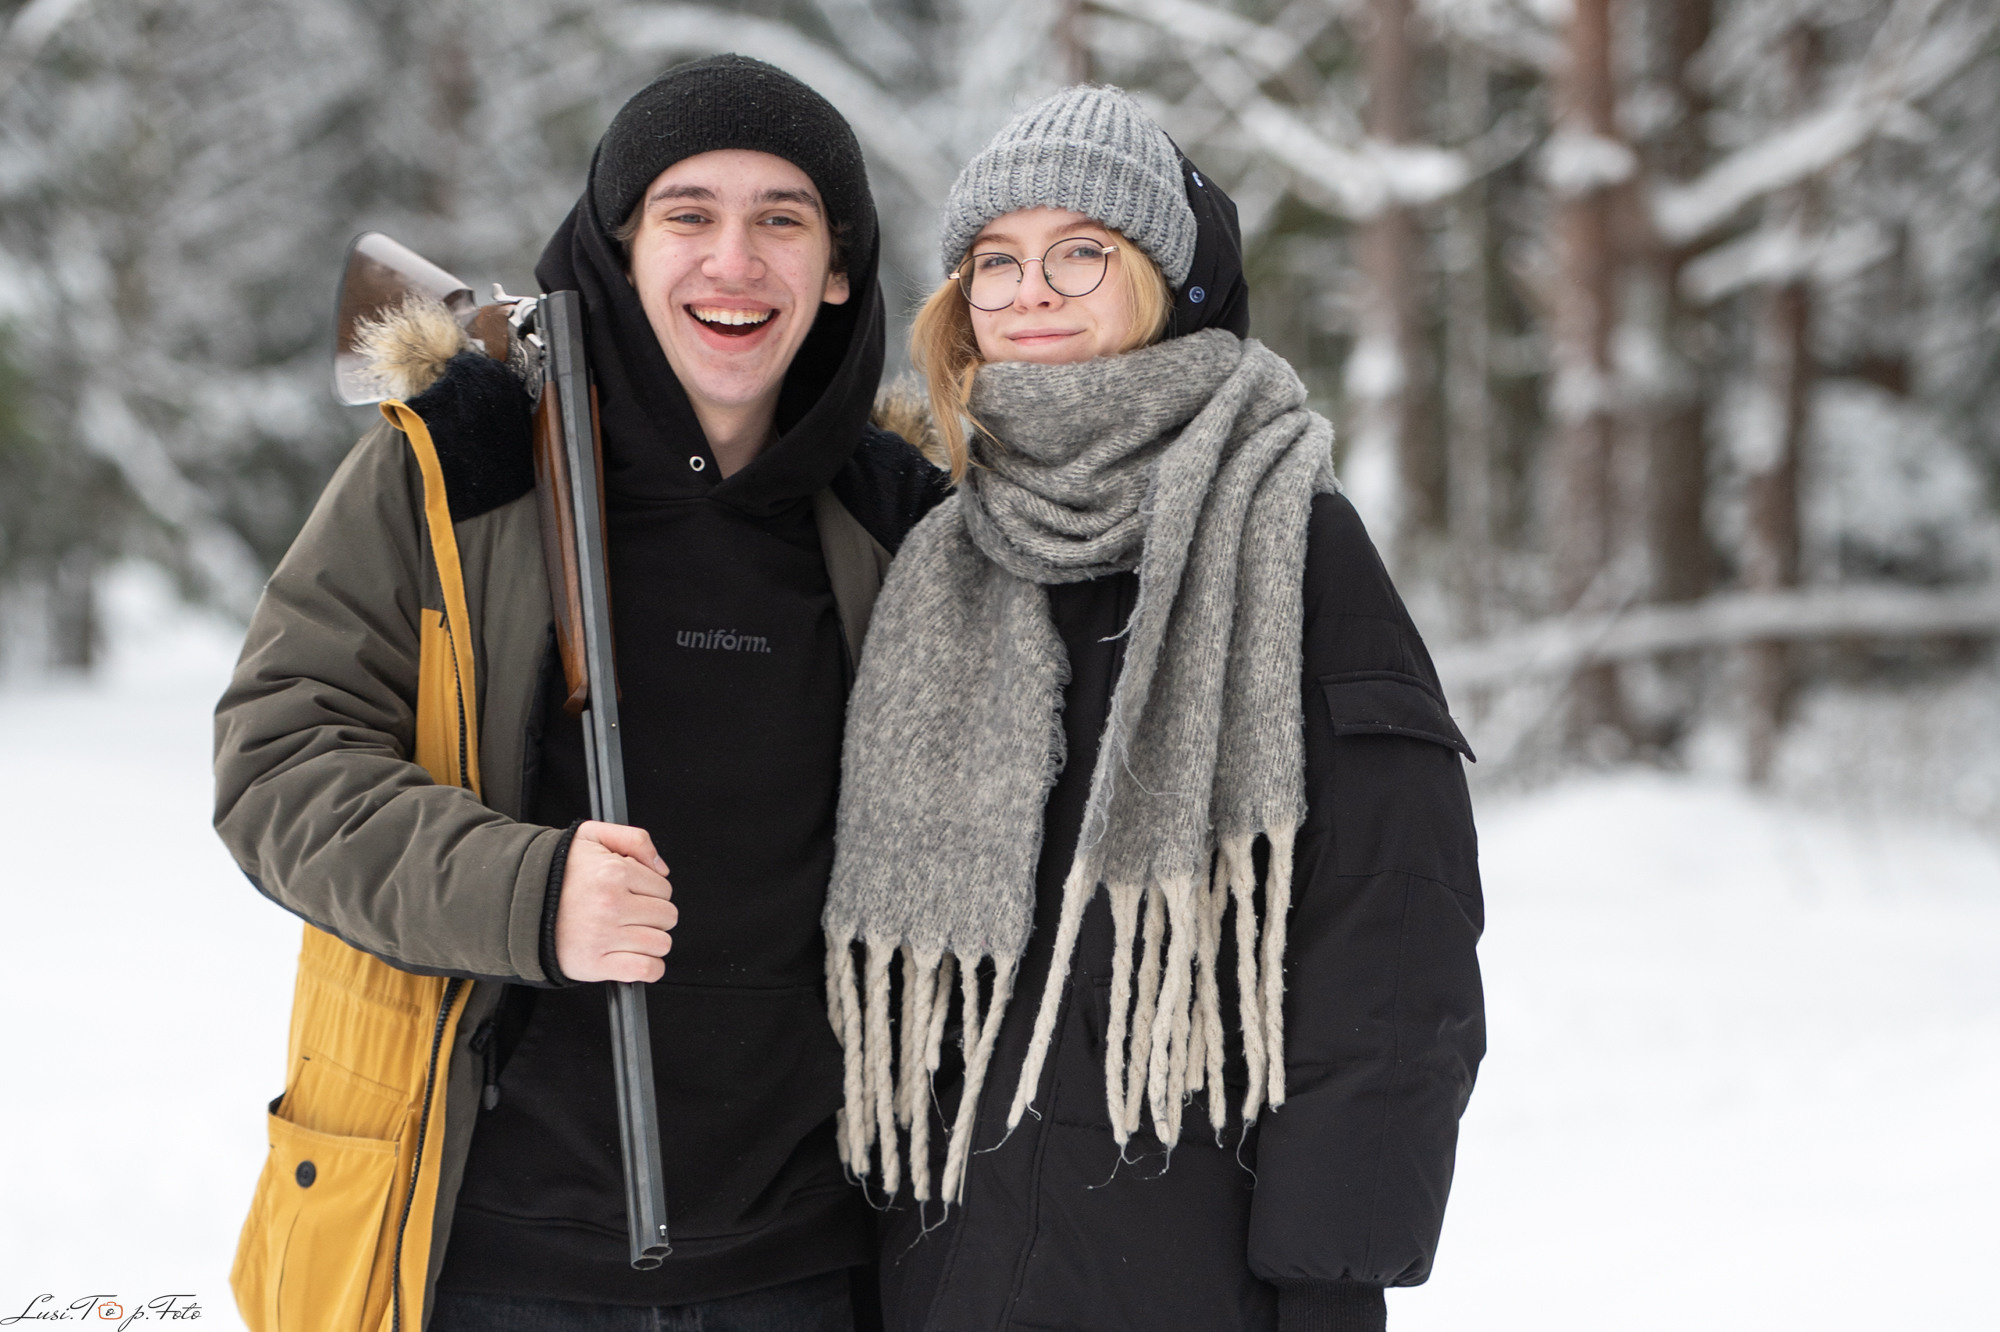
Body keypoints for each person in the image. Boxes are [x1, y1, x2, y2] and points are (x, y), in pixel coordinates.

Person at [214, 55, 947, 1332]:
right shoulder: (463, 470)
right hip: (480, 1254)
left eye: (782, 218)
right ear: (616, 251)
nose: (735, 259)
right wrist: (528, 894)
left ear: (838, 268)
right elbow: (279, 761)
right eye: (688, 215)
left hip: (809, 1269)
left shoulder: (902, 523)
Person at [822, 86, 1486, 1332]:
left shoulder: (1287, 541)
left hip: (1190, 1274)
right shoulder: (943, 550)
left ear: (1167, 279)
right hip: (939, 1270)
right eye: (994, 262)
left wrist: (1330, 1286)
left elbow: (1393, 937)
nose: (1029, 291)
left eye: (1081, 251)